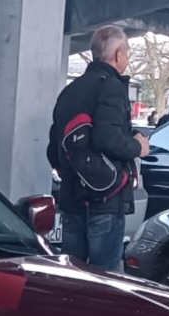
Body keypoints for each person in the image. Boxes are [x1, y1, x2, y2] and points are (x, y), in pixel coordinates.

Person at [48, 24, 147, 272]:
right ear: (117, 55)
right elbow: (108, 139)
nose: (127, 58)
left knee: (74, 273)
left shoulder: (70, 91)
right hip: (105, 199)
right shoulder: (111, 86)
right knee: (106, 278)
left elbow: (54, 147)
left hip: (72, 197)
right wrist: (137, 146)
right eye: (126, 52)